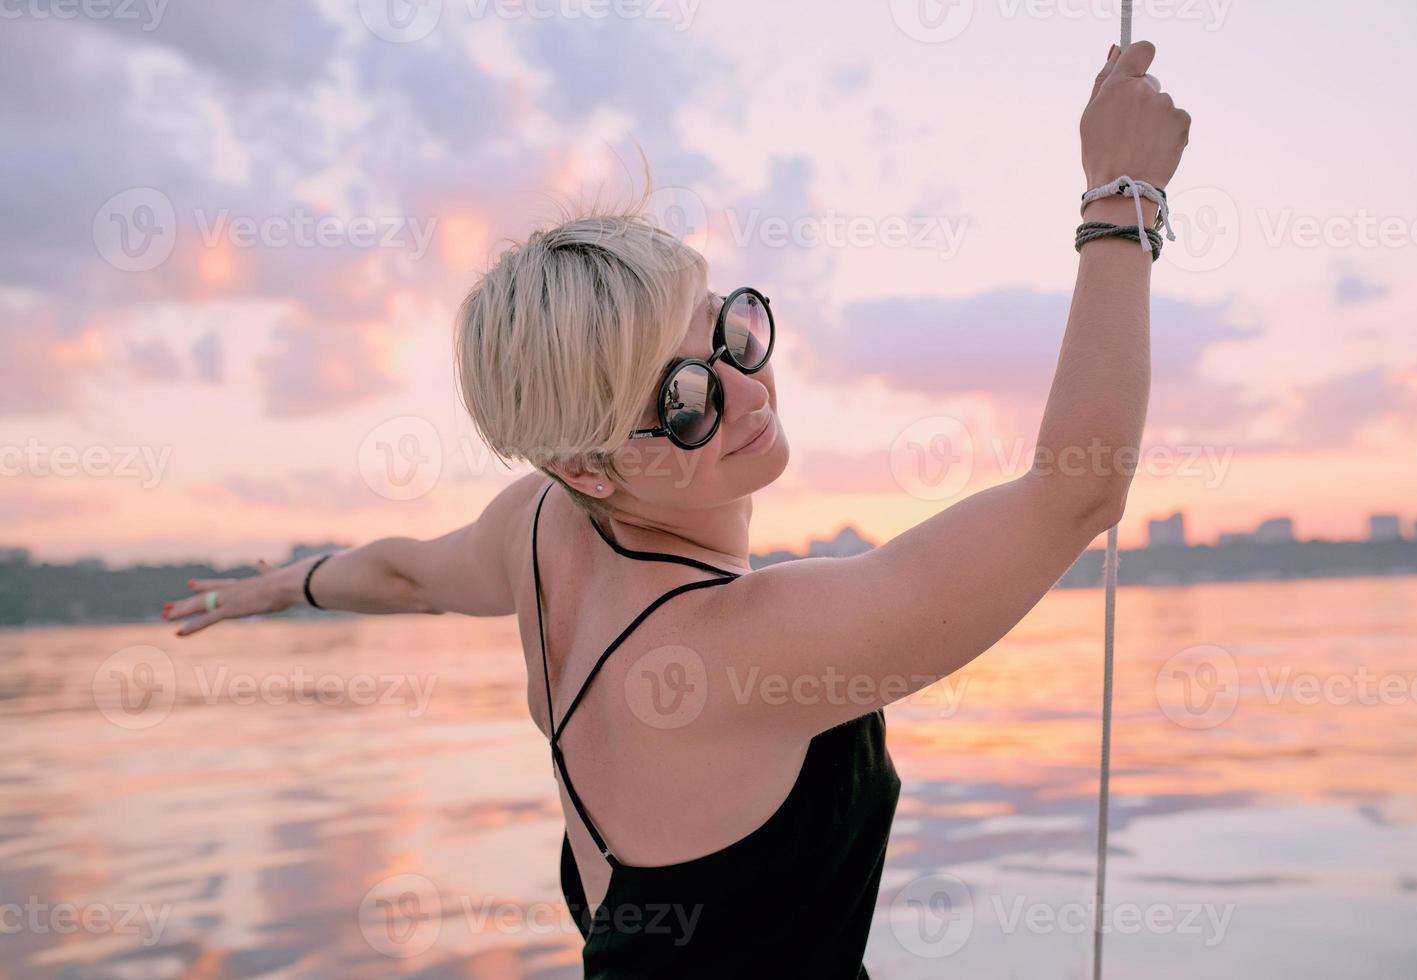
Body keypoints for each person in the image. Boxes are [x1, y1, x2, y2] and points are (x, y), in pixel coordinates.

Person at [162, 41, 1189, 978]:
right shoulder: (742, 653)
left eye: (731, 334)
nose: (747, 393)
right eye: (682, 401)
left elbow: (403, 572)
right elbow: (1075, 489)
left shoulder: (534, 532)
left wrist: (281, 585)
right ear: (593, 468)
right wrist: (1119, 197)